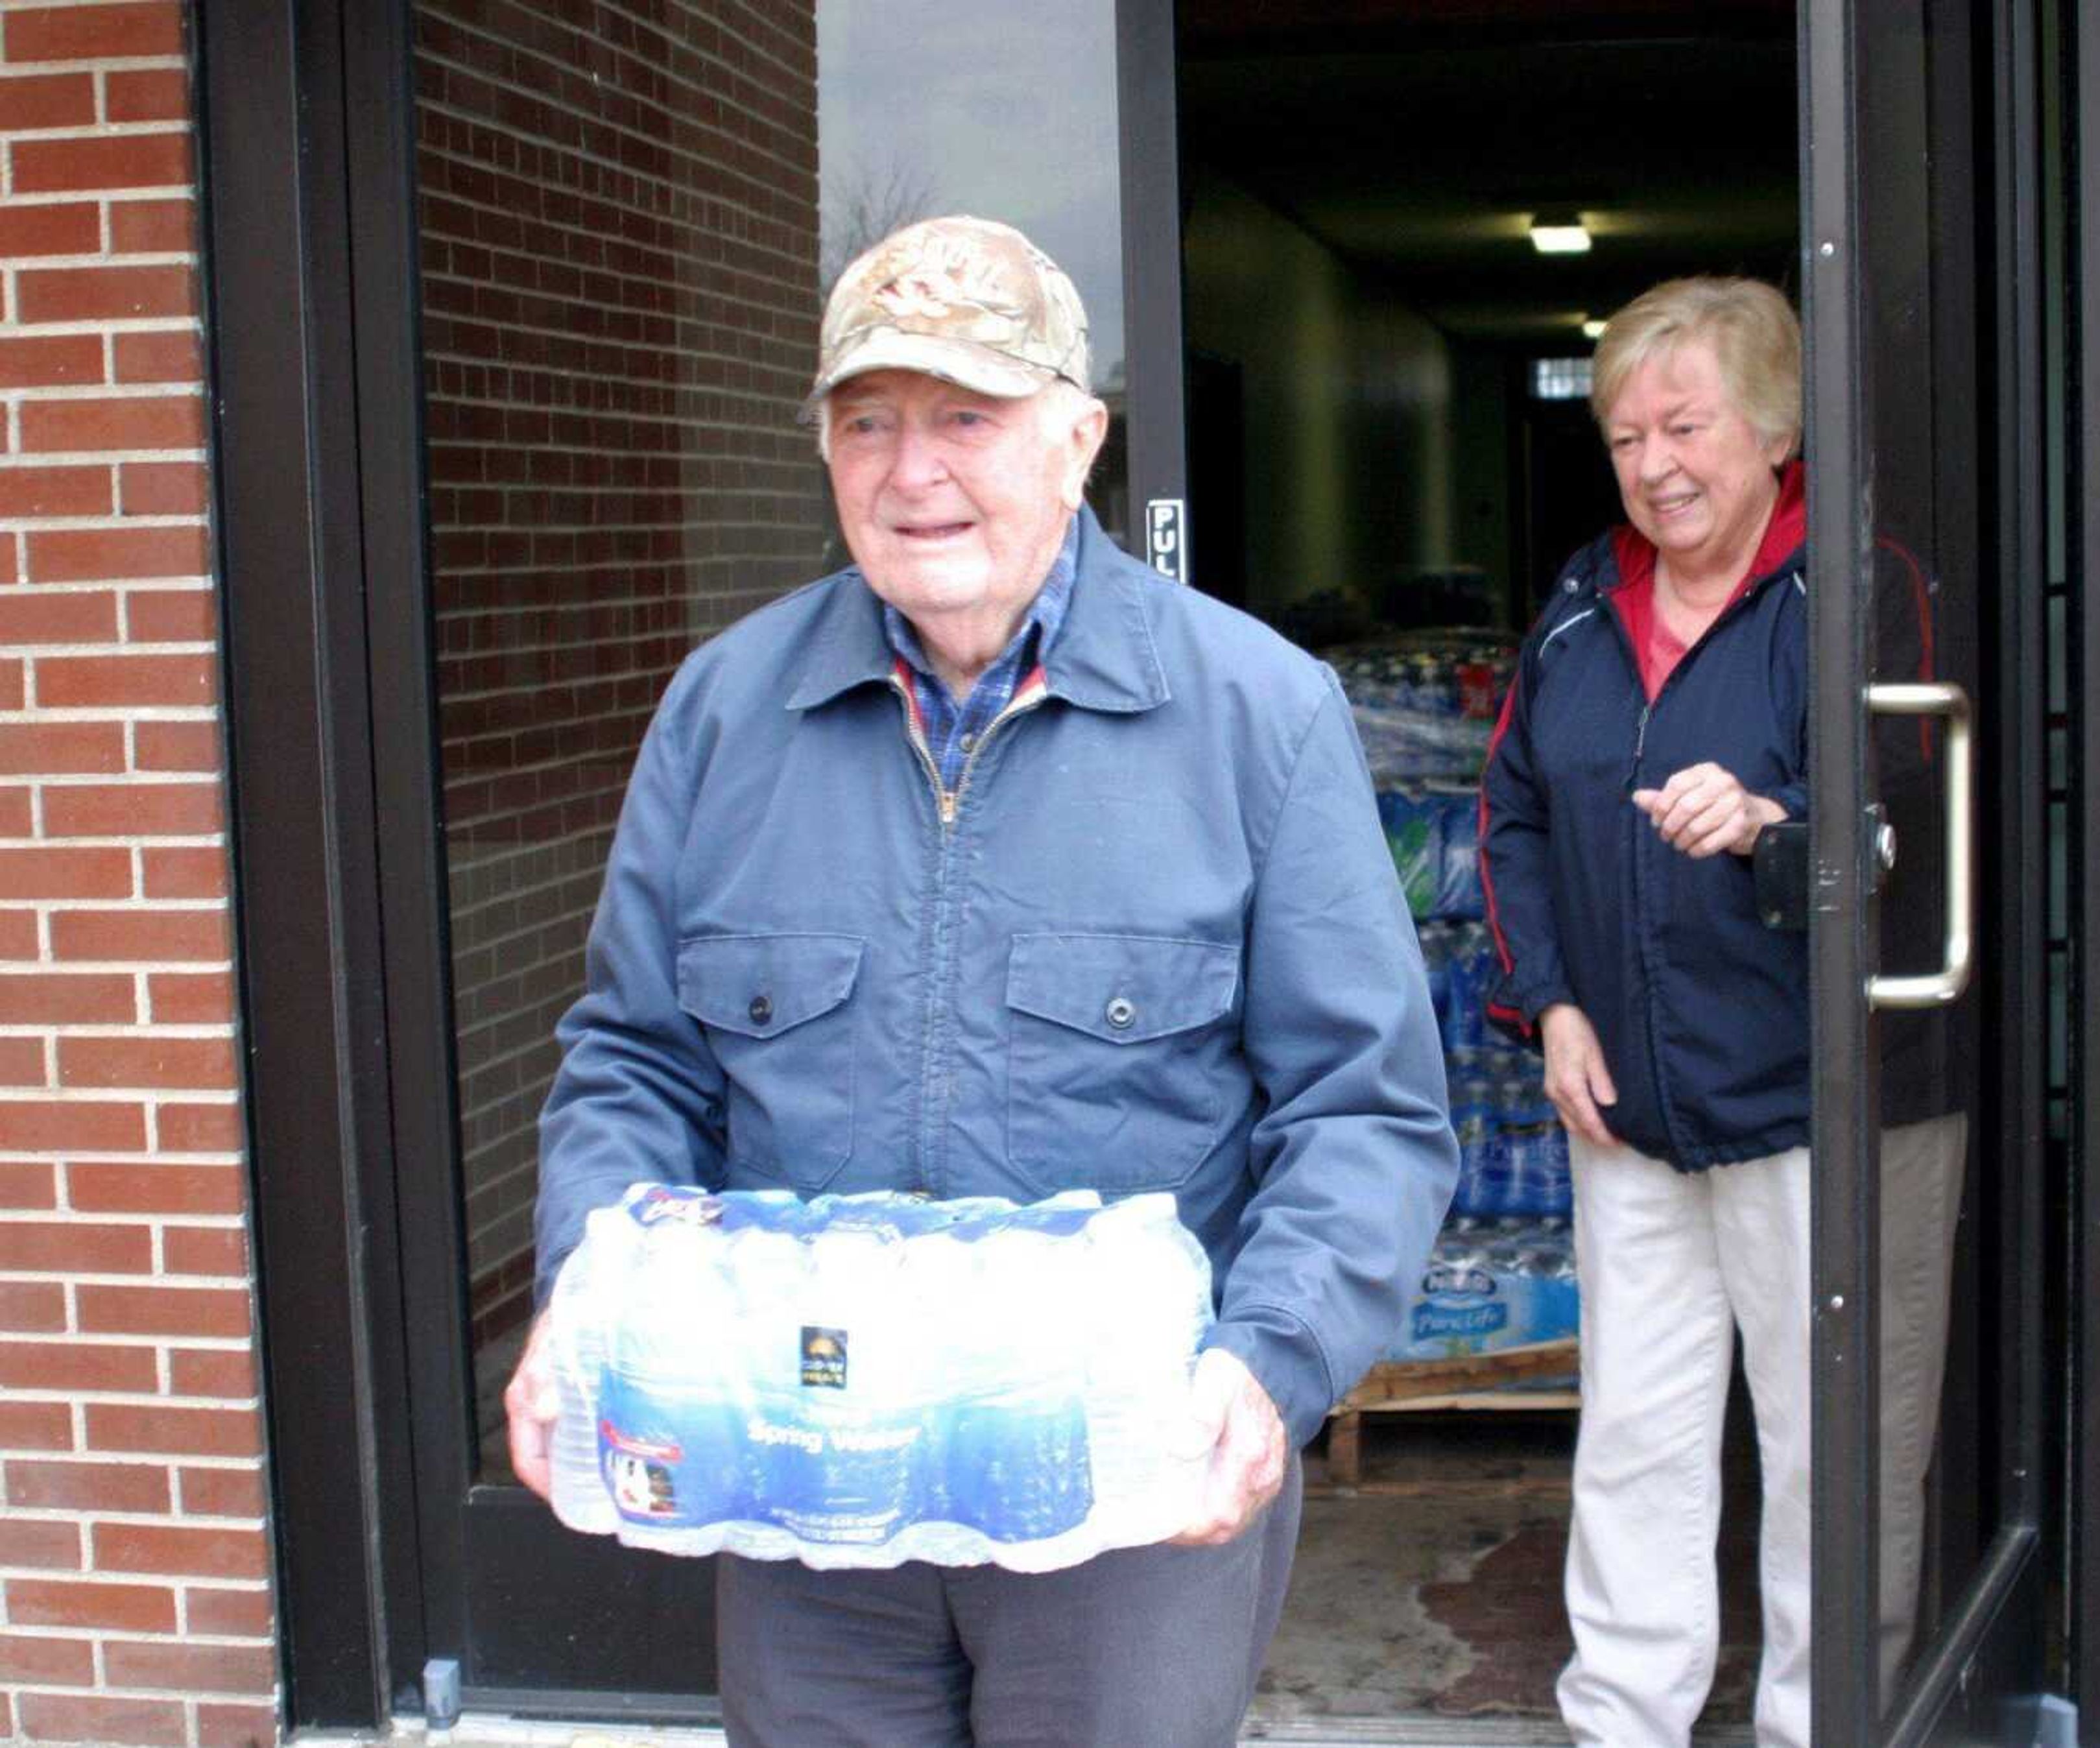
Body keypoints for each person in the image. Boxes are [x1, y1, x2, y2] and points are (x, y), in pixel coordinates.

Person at [500, 215, 1459, 1747]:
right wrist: (589, 1294)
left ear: (1080, 437)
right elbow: (634, 1064)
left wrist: (1265, 1368)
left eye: (966, 414)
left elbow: (1365, 1113)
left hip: (1125, 1485)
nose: (910, 468)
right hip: (802, 1474)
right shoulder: (726, 711)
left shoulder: (1255, 716)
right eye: (866, 420)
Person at [1478, 276, 1966, 1746]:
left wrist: (1773, 822)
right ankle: (1623, 1716)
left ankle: (1824, 1725)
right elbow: (1509, 813)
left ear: (1771, 431)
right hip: (1630, 1100)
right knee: (1636, 1437)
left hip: (1822, 1091)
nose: (1655, 464)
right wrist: (1552, 1006)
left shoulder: (1858, 585)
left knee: (1830, 1448)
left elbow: (1908, 821)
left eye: (1685, 425)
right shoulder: (1583, 601)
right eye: (1627, 435)